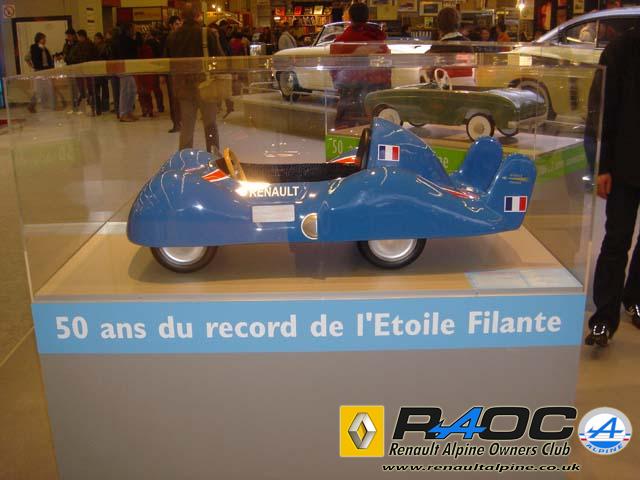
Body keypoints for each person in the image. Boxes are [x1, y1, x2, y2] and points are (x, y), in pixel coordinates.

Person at [585, 25, 640, 347]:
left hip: (624, 163)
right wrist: (601, 165)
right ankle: (604, 318)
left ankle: (635, 298)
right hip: (624, 165)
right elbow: (601, 110)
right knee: (617, 240)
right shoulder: (622, 48)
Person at [165, 2, 225, 152]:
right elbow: (220, 59)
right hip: (206, 85)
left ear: (181, 16)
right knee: (210, 124)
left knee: (187, 126)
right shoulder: (207, 33)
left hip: (183, 87)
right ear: (198, 15)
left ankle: (185, 158)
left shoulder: (173, 37)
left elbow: (168, 62)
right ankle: (213, 156)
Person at [330, 2, 390, 128]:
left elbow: (335, 70)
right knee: (374, 130)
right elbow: (386, 67)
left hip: (351, 95)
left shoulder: (342, 42)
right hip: (375, 95)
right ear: (368, 17)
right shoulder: (377, 38)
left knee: (348, 130)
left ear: (349, 18)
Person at [68, 29, 98, 113]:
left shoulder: (81, 46)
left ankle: (85, 104)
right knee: (90, 89)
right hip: (88, 70)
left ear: (81, 36)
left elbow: (73, 57)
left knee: (84, 88)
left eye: (78, 36)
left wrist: (75, 60)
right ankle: (91, 105)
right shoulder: (90, 44)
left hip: (82, 70)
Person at [115, 23, 139, 122]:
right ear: (128, 30)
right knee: (125, 91)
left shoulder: (128, 40)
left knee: (132, 90)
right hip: (123, 68)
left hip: (129, 67)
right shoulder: (122, 40)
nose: (135, 30)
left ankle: (129, 112)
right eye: (133, 28)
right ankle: (123, 113)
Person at [27, 32, 54, 113]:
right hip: (39, 70)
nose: (45, 40)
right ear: (39, 39)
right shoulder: (34, 48)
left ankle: (49, 104)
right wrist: (33, 66)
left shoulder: (45, 49)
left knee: (48, 87)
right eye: (43, 38)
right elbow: (27, 58)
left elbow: (49, 59)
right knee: (38, 89)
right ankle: (31, 105)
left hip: (46, 70)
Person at [166, 16, 183, 131]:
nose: (179, 26)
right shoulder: (170, 38)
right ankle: (177, 123)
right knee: (174, 99)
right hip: (173, 72)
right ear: (171, 26)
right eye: (176, 24)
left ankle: (180, 122)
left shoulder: (183, 37)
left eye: (180, 23)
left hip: (181, 71)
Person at [94, 32, 111, 114]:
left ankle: (100, 107)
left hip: (99, 70)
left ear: (99, 39)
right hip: (102, 70)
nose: (94, 40)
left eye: (95, 39)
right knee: (104, 88)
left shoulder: (100, 47)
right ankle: (105, 107)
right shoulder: (104, 46)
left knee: (100, 88)